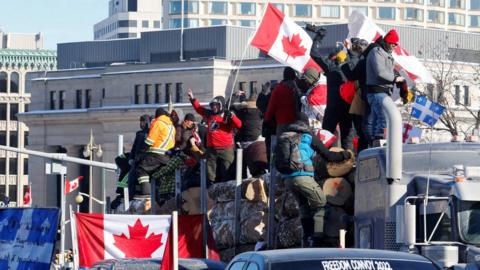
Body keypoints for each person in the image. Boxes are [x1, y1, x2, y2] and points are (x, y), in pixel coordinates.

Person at [278, 113, 352, 247]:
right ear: (305, 123)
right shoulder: (308, 136)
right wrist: (345, 155)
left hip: (288, 179)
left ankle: (307, 236)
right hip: (302, 176)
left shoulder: (284, 136)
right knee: (321, 202)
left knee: (304, 206)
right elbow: (328, 155)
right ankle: (317, 237)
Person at [309, 31, 354, 150]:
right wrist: (349, 50)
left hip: (333, 108)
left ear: (333, 57)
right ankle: (349, 163)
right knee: (347, 139)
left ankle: (325, 161)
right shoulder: (352, 66)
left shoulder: (331, 66)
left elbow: (314, 54)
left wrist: (318, 38)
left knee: (326, 138)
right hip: (348, 108)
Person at [188, 89, 242, 183]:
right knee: (210, 173)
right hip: (212, 149)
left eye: (216, 105)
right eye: (212, 105)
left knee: (227, 171)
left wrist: (232, 117)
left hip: (226, 149)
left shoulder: (227, 115)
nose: (214, 107)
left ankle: (226, 190)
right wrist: (192, 99)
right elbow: (199, 108)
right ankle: (211, 189)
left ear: (221, 105)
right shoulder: (209, 115)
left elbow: (239, 124)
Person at [365, 29, 405, 143]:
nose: (395, 46)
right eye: (393, 43)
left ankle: (375, 143)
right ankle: (378, 143)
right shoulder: (376, 52)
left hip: (382, 92)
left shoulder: (384, 53)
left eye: (396, 44)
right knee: (383, 119)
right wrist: (395, 78)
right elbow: (380, 72)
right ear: (387, 41)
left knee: (378, 119)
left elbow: (388, 71)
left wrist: (397, 78)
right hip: (377, 92)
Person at [136, 108, 176, 199]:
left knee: (142, 168)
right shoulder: (171, 126)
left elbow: (150, 141)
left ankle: (146, 193)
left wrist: (142, 151)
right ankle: (159, 195)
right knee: (158, 174)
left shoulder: (158, 123)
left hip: (156, 154)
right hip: (167, 156)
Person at [341, 38, 370, 151]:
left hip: (359, 103)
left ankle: (362, 156)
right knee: (364, 133)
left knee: (362, 133)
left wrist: (344, 61)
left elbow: (351, 75)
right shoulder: (369, 60)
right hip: (362, 102)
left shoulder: (362, 61)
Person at [264, 67, 300, 136]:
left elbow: (272, 106)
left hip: (282, 122)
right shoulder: (297, 88)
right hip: (296, 121)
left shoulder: (278, 89)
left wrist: (267, 120)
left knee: (282, 143)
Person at [128, 114, 151, 199]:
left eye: (143, 122)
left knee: (139, 178)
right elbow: (134, 148)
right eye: (140, 122)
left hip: (143, 160)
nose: (141, 124)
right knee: (132, 179)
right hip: (136, 160)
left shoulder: (150, 133)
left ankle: (144, 192)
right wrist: (131, 158)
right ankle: (132, 196)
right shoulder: (139, 133)